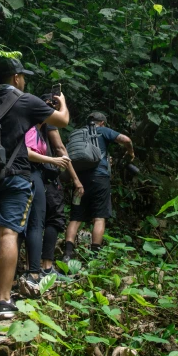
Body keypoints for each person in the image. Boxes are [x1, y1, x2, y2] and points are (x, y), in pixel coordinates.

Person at [0, 57, 69, 322]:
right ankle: (3, 300)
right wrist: (62, 101)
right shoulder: (26, 100)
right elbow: (63, 120)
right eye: (23, 76)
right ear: (15, 78)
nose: (24, 80)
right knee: (9, 233)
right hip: (15, 176)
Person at [63, 110, 134, 261]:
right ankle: (94, 256)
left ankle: (67, 254)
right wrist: (130, 153)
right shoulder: (103, 131)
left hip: (78, 179)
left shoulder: (79, 134)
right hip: (99, 179)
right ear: (101, 123)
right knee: (99, 217)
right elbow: (126, 139)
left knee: (75, 217)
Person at [20, 121, 71, 294]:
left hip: (21, 175)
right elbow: (59, 147)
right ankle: (37, 271)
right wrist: (55, 162)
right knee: (39, 223)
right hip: (34, 175)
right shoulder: (36, 126)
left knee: (19, 226)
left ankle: (28, 272)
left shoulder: (31, 125)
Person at [39, 94, 84, 277]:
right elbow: (60, 149)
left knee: (34, 222)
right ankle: (47, 267)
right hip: (48, 176)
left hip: (29, 174)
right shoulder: (47, 120)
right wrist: (75, 179)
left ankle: (32, 267)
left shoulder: (28, 117)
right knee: (54, 218)